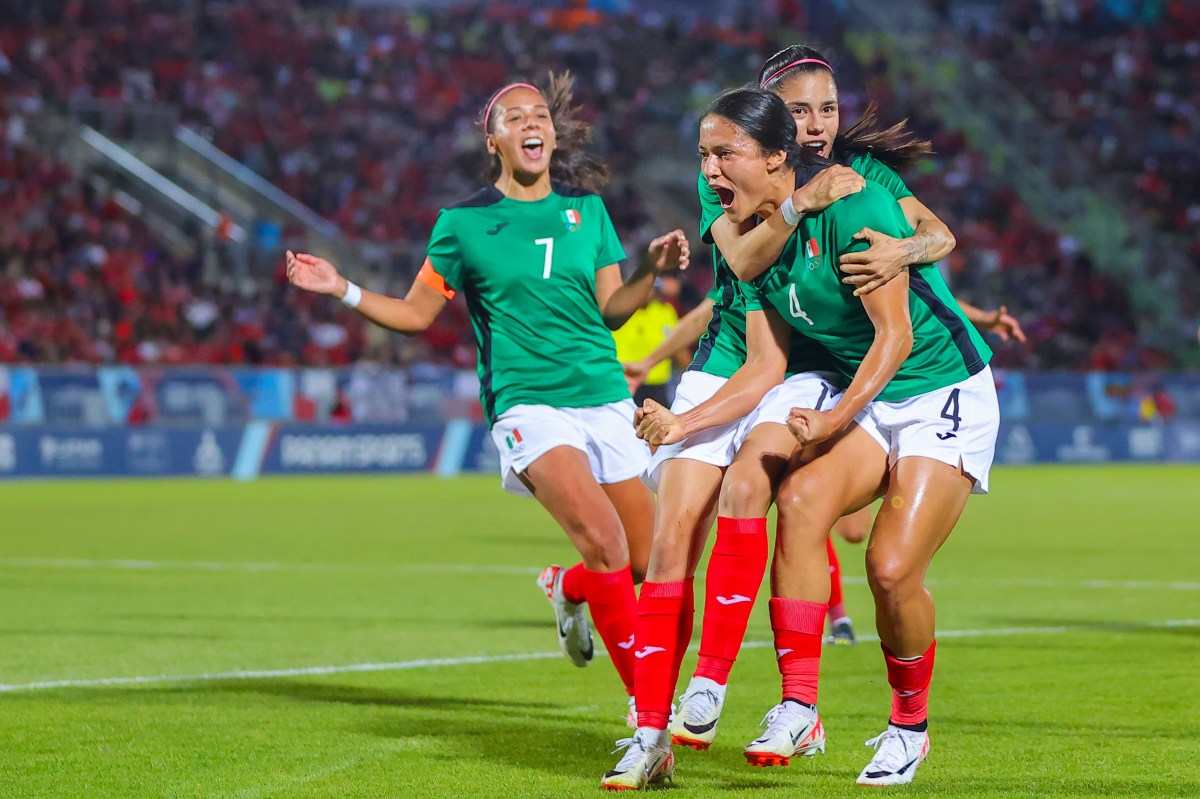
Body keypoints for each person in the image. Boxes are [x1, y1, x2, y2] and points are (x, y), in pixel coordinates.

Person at [285, 73, 689, 723]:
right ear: (492, 139)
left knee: (646, 560)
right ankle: (649, 721)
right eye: (515, 117)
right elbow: (417, 314)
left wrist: (650, 269)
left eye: (540, 116)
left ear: (553, 134)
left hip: (605, 397)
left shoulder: (589, 212)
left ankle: (568, 587)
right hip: (527, 403)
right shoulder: (462, 224)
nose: (532, 124)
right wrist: (343, 289)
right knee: (607, 542)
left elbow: (614, 310)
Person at [639, 87, 998, 787]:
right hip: (857, 384)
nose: (711, 174)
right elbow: (757, 325)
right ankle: (800, 705)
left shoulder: (856, 200)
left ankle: (908, 726)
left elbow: (895, 335)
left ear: (777, 157)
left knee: (890, 570)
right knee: (799, 502)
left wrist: (834, 419)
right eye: (705, 157)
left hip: (936, 386)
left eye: (724, 156)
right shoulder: (748, 223)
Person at [611, 280, 680, 407]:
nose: (648, 291)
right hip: (624, 382)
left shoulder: (665, 312)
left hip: (657, 385)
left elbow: (678, 349)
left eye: (651, 287)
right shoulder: (620, 311)